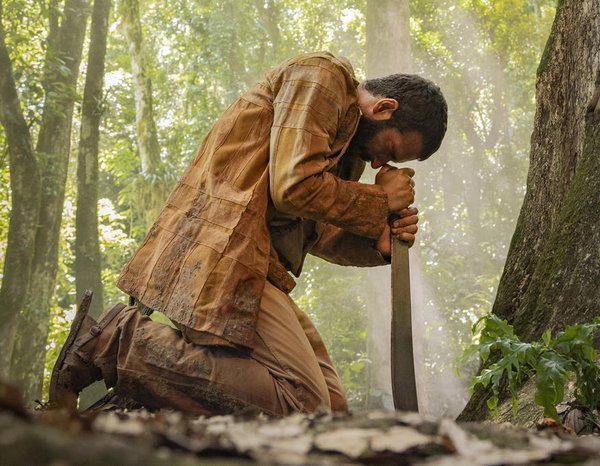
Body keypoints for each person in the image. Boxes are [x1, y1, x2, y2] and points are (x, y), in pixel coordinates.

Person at [49, 51, 448, 416]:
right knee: (304, 407)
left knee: (333, 414)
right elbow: (293, 187)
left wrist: (375, 245)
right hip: (222, 254)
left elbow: (315, 233)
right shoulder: (323, 77)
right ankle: (114, 343)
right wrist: (379, 200)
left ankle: (150, 388)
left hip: (257, 270)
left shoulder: (347, 151)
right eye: (390, 150)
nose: (380, 162)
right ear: (383, 107)